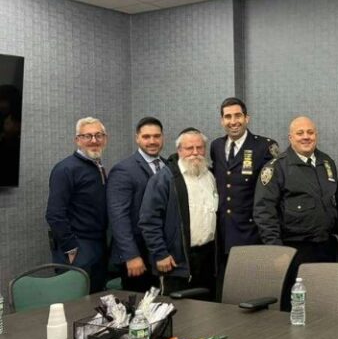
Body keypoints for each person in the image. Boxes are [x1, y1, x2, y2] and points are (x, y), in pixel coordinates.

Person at [253, 116, 338, 311]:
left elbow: (335, 201)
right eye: (300, 133)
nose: (306, 137)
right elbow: (263, 212)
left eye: (310, 132)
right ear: (290, 137)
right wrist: (276, 251)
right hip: (293, 250)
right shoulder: (276, 167)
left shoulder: (327, 162)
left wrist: (336, 235)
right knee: (296, 308)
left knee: (324, 304)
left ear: (316, 135)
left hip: (325, 248)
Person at [139, 128, 218, 298]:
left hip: (207, 258)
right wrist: (160, 254)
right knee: (178, 309)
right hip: (176, 261)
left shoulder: (210, 176)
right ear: (179, 150)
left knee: (208, 307)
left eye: (199, 147)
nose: (195, 152)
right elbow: (149, 221)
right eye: (189, 148)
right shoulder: (164, 179)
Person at [210, 97, 279, 267]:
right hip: (222, 233)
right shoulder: (216, 146)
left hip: (251, 232)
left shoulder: (264, 147)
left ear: (246, 118)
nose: (233, 121)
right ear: (222, 121)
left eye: (238, 115)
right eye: (228, 117)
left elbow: (273, 193)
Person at [45, 117, 109, 292]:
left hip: (98, 245)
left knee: (96, 299)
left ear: (105, 139)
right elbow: (54, 214)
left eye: (98, 135)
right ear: (77, 140)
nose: (94, 140)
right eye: (87, 136)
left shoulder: (98, 166)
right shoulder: (65, 169)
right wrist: (70, 248)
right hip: (78, 248)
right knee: (76, 303)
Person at [106, 116, 166, 293]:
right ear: (137, 138)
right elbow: (118, 216)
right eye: (146, 137)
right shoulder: (123, 170)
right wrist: (131, 255)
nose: (152, 141)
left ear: (162, 137)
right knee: (140, 306)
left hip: (161, 251)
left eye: (156, 136)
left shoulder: (167, 165)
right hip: (137, 255)